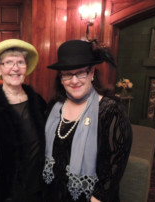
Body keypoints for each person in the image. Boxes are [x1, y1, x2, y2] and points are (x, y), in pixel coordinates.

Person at [43, 40, 133, 202]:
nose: (74, 80)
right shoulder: (54, 108)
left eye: (81, 72)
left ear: (92, 73)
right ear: (61, 78)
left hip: (91, 197)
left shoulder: (110, 110)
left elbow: (113, 168)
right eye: (67, 74)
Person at [0, 39, 46, 202]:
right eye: (9, 63)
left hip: (38, 188)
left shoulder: (39, 102)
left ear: (26, 67)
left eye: (20, 62)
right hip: (7, 194)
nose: (15, 68)